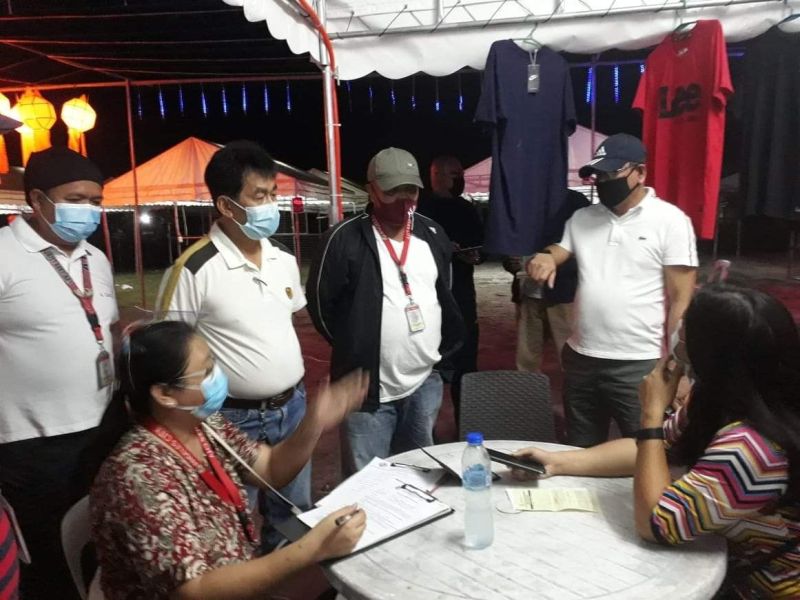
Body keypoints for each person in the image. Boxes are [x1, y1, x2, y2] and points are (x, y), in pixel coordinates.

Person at [512, 284, 800, 599]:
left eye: (686, 331)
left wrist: (650, 414)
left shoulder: (750, 448)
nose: (676, 334)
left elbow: (655, 523)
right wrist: (558, 462)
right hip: (726, 558)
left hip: (762, 589)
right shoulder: (721, 399)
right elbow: (657, 451)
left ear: (712, 355)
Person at [91, 320, 369, 599]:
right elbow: (194, 590)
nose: (218, 377)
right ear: (165, 394)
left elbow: (271, 468)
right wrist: (313, 548)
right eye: (207, 371)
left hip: (239, 578)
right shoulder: (139, 474)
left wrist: (314, 422)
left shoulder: (205, 426)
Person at [156, 140, 310, 551]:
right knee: (231, 524)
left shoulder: (283, 259)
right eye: (259, 196)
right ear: (226, 206)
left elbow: (283, 322)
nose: (271, 205)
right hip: (231, 420)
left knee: (293, 516)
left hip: (293, 408)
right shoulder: (193, 268)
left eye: (273, 193)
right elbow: (167, 354)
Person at [0, 145, 124, 599]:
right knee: (48, 559)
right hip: (31, 446)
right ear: (37, 200)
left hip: (100, 429)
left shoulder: (97, 258)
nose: (88, 211)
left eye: (96, 201)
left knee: (96, 543)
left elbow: (104, 328)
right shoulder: (4, 255)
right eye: (76, 199)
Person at [527, 133, 697, 447]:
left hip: (639, 362)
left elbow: (682, 300)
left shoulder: (671, 221)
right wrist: (546, 257)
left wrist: (680, 366)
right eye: (598, 175)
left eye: (612, 173)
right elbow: (559, 249)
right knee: (581, 450)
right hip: (580, 359)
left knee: (645, 452)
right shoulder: (582, 218)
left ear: (641, 172)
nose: (603, 181)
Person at [307, 147, 465, 470]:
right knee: (366, 484)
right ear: (372, 190)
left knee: (421, 476)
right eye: (392, 190)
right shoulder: (342, 239)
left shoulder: (432, 233)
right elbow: (322, 307)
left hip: (423, 383)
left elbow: (442, 292)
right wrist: (355, 343)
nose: (403, 198)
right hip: (365, 392)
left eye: (410, 189)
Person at [416, 155, 483, 424]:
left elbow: (480, 246)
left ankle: (465, 428)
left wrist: (473, 255)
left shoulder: (467, 209)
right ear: (436, 175)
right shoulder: (419, 210)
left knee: (466, 369)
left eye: (461, 174)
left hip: (463, 301)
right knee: (426, 371)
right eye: (454, 174)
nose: (460, 179)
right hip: (426, 303)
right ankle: (423, 431)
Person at [503, 188, 589, 373]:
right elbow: (510, 243)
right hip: (529, 293)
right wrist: (511, 261)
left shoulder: (574, 201)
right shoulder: (521, 201)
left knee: (570, 357)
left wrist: (554, 264)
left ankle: (576, 399)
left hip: (563, 293)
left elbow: (587, 249)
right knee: (526, 358)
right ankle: (528, 398)